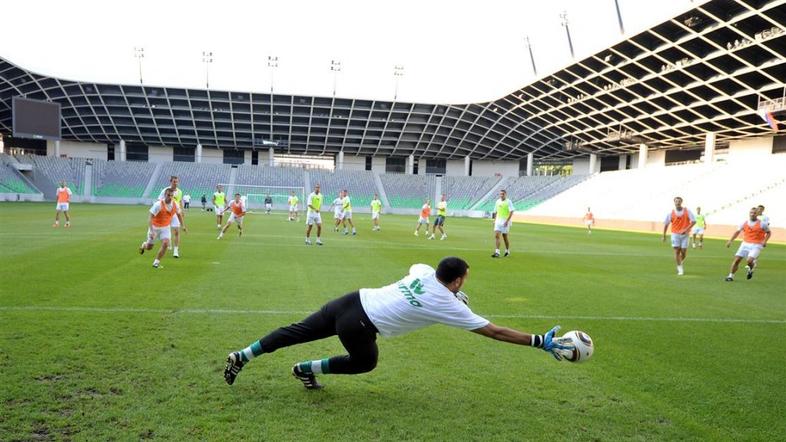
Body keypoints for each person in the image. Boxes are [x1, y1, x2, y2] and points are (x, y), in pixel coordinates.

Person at [223, 257, 575, 389]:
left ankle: (243, 354)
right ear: (456, 282)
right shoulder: (446, 302)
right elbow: (493, 331)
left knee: (295, 331)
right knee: (366, 362)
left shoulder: (425, 272)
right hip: (360, 323)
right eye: (463, 280)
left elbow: (417, 267)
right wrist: (537, 341)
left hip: (349, 300)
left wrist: (450, 294)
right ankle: (305, 368)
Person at [139, 188, 186, 269]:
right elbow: (150, 217)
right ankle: (144, 245)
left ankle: (156, 263)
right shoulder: (158, 204)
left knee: (166, 243)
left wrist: (183, 225)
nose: (170, 197)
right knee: (149, 247)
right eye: (168, 195)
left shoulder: (175, 204)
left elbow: (179, 214)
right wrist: (152, 231)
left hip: (165, 228)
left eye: (171, 195)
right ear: (165, 195)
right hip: (154, 227)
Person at [725, 207, 771, 281]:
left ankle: (751, 269)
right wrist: (730, 241)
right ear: (749, 213)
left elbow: (768, 232)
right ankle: (730, 276)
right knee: (736, 260)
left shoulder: (762, 224)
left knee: (749, 261)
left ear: (757, 214)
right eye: (751, 213)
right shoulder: (744, 223)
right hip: (745, 243)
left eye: (754, 213)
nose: (752, 214)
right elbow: (737, 232)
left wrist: (765, 241)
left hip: (757, 245)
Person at [661, 196, 695, 276]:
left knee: (683, 252)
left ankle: (680, 262)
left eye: (679, 201)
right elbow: (666, 224)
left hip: (685, 235)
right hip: (675, 234)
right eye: (676, 201)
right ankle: (680, 268)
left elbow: (693, 221)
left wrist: (686, 229)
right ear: (674, 202)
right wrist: (664, 235)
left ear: (681, 202)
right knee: (677, 251)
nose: (678, 202)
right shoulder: (670, 213)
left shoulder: (687, 211)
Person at [159, 176, 184, 258]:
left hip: (175, 213)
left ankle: (176, 250)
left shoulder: (179, 191)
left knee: (177, 231)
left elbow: (179, 201)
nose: (176, 183)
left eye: (177, 182)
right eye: (174, 182)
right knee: (166, 230)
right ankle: (168, 242)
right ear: (170, 182)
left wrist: (181, 210)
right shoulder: (165, 190)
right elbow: (159, 200)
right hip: (166, 213)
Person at [492, 190, 515, 258]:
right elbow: (495, 211)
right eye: (500, 194)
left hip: (505, 221)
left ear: (505, 194)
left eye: (503, 194)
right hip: (498, 221)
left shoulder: (508, 201)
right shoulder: (497, 201)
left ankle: (507, 250)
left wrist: (507, 221)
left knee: (505, 237)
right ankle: (497, 252)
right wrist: (494, 220)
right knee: (497, 235)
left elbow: (511, 211)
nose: (501, 195)